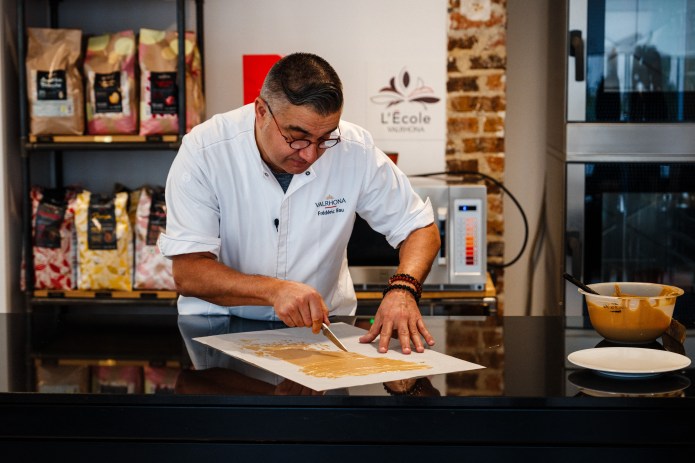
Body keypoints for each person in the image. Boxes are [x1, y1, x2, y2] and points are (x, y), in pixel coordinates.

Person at [159, 52, 440, 354]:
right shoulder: (205, 151)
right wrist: (274, 291)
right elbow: (188, 273)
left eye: (325, 139)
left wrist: (403, 288)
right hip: (218, 328)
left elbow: (419, 228)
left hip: (324, 330)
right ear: (261, 111)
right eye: (297, 137)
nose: (310, 155)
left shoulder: (354, 149)